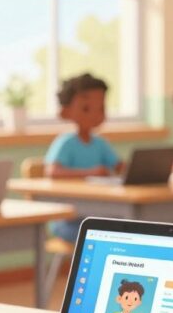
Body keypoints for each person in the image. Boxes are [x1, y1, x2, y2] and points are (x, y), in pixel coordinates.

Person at [45, 73, 123, 242]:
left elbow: (119, 166)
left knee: (127, 228)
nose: (95, 114)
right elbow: (53, 172)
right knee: (103, 236)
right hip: (69, 220)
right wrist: (90, 172)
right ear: (66, 111)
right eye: (86, 108)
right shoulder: (66, 142)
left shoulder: (100, 143)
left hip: (99, 213)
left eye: (101, 108)